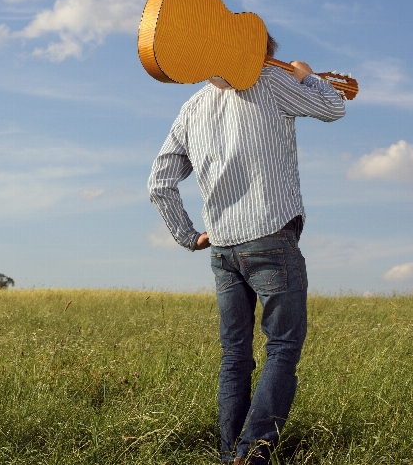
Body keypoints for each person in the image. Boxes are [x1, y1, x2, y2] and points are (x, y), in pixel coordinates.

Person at [147, 35, 345, 464]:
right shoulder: (271, 83)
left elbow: (159, 185)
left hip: (222, 248)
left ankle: (230, 455)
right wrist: (308, 78)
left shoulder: (192, 108)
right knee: (283, 347)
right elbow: (334, 107)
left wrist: (188, 235)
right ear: (261, 55)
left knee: (235, 354)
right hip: (271, 238)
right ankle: (251, 455)